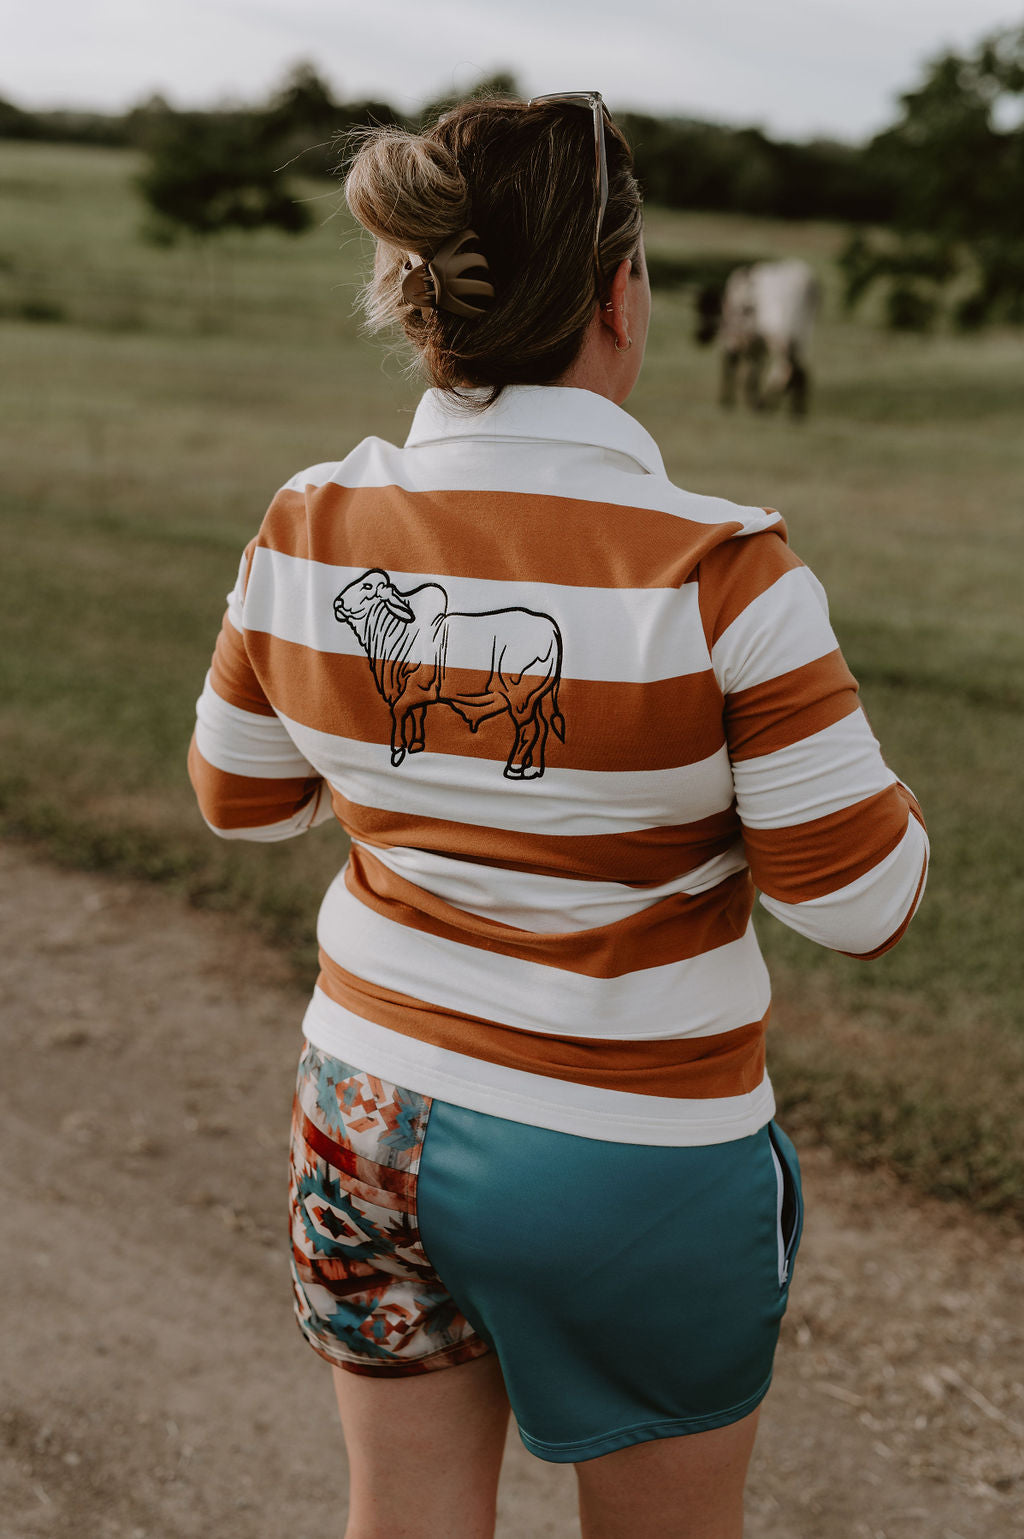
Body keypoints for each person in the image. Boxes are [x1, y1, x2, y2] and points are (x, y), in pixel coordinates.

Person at [188, 94, 928, 1539]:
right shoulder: (727, 574)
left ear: (421, 303)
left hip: (361, 1110)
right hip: (628, 1151)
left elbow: (241, 802)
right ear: (620, 294)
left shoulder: (306, 520)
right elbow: (863, 906)